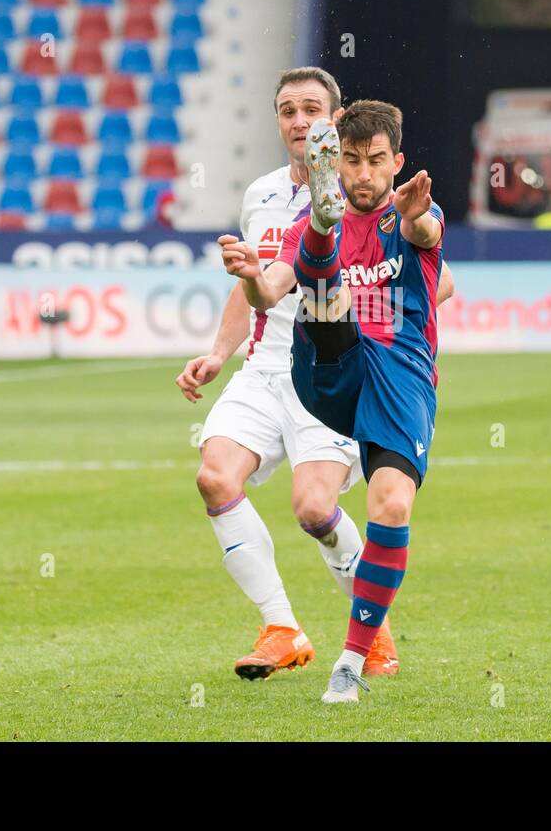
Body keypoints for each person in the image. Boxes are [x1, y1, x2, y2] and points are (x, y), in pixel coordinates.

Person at [176, 68, 452, 681]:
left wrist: (403, 263)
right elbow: (259, 284)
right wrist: (219, 351)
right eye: (286, 110)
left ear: (335, 122)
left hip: (333, 366)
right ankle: (281, 628)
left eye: (310, 110)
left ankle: (368, 627)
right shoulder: (263, 195)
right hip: (263, 367)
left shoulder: (371, 196)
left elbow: (436, 269)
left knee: (312, 506)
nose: (298, 121)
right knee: (214, 477)